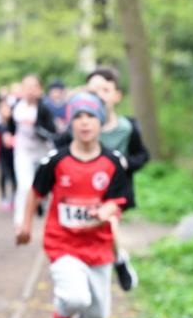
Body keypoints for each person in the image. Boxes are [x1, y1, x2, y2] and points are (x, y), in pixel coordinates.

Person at [16, 92, 133, 318]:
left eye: (90, 116)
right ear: (70, 123)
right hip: (63, 243)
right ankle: (61, 314)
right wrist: (26, 225)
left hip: (99, 247)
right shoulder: (56, 160)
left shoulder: (113, 162)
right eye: (78, 116)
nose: (84, 122)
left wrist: (106, 210)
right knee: (75, 297)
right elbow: (36, 192)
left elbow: (120, 200)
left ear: (100, 122)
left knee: (98, 315)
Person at [57, 66, 150, 291]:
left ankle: (117, 261)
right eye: (93, 91)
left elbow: (142, 156)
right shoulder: (79, 127)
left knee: (109, 224)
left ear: (117, 95)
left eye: (105, 90)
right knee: (88, 231)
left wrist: (126, 163)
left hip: (114, 191)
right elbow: (58, 149)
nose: (99, 95)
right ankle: (93, 266)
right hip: (82, 192)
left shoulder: (127, 128)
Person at [5, 74, 56, 227]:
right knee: (24, 185)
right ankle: (20, 221)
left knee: (45, 187)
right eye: (27, 87)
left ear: (40, 89)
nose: (30, 91)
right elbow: (10, 127)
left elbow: (52, 132)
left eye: (34, 87)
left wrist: (37, 128)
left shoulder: (44, 108)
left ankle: (44, 211)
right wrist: (7, 135)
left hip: (42, 152)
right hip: (23, 152)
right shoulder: (16, 107)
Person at [0, 98, 15, 211]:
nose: (5, 110)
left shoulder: (14, 125)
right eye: (3, 108)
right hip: (2, 155)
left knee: (14, 176)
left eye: (7, 108)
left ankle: (13, 198)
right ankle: (4, 198)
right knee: (3, 175)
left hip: (13, 154)